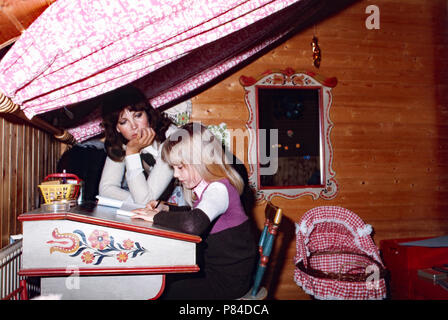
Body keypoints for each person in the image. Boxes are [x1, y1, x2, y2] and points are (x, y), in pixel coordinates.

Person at [132, 122, 257, 300]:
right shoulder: (211, 186)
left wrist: (156, 217)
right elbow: (194, 212)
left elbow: (193, 223)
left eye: (180, 167)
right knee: (167, 280)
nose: (175, 175)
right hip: (220, 272)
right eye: (173, 168)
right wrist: (165, 207)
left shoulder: (219, 189)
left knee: (167, 292)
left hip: (228, 281)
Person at [99, 85, 178, 204]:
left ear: (147, 113)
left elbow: (145, 200)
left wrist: (132, 153)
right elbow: (106, 189)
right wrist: (137, 200)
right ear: (117, 128)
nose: (134, 126)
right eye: (124, 122)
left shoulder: (171, 138)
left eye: (138, 116)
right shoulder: (123, 142)